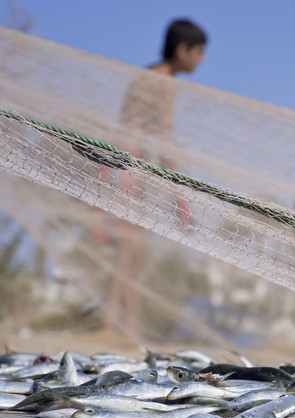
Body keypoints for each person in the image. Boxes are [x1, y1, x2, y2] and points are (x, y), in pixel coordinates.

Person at [98, 18, 207, 338]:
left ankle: (125, 325)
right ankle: (110, 325)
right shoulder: (162, 81)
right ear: (182, 49)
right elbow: (163, 138)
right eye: (199, 51)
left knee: (133, 251)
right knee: (128, 253)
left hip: (127, 168)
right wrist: (180, 195)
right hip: (131, 169)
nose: (202, 59)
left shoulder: (149, 76)